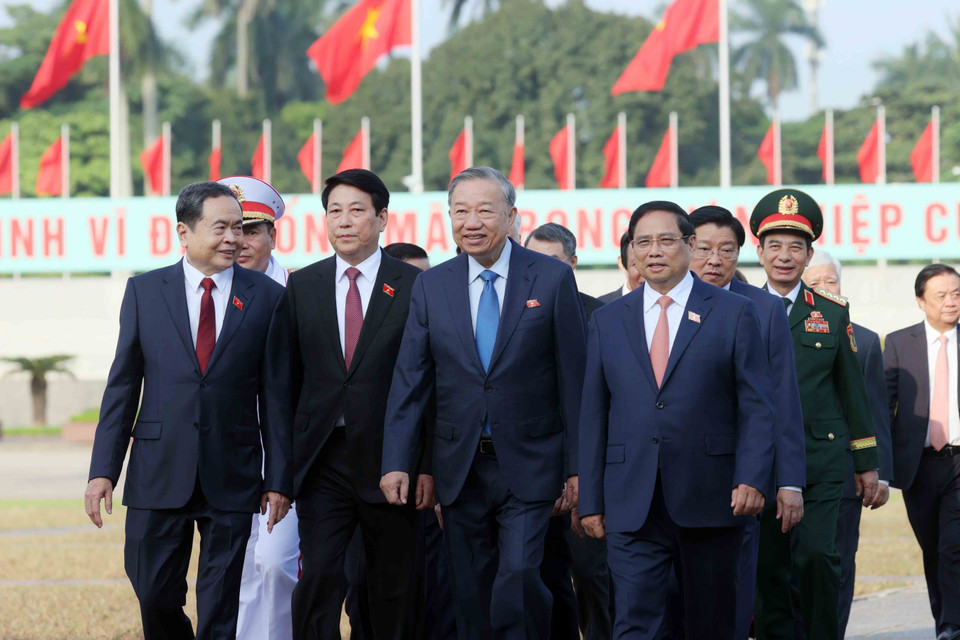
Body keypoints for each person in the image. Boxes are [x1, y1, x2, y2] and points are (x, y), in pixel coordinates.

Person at [381, 166, 587, 640]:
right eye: (460, 211)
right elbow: (413, 379)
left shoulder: (551, 279)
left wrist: (577, 470)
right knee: (469, 591)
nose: (471, 222)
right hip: (460, 467)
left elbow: (573, 381)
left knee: (517, 578)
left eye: (484, 210)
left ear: (512, 216)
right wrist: (402, 461)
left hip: (533, 463)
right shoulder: (433, 285)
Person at [84, 181, 293, 639]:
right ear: (184, 232)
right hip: (158, 471)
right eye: (221, 227)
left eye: (239, 228)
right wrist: (104, 470)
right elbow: (123, 386)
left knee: (220, 606)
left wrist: (279, 479)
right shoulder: (144, 292)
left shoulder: (268, 297)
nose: (233, 239)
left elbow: (276, 397)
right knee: (154, 593)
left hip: (233, 474)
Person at [578, 200, 776, 640]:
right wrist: (591, 498)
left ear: (688, 245)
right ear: (630, 251)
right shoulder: (607, 321)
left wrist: (752, 477)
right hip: (631, 501)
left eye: (666, 240)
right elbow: (593, 414)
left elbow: (758, 406)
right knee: (635, 622)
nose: (653, 251)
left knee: (709, 623)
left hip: (713, 496)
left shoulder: (733, 312)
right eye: (642, 242)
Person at [287, 169, 433, 640]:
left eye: (356, 210)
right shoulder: (302, 285)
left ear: (382, 217)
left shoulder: (415, 286)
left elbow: (432, 382)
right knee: (320, 577)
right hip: (323, 458)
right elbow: (286, 379)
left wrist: (423, 463)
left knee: (389, 586)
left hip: (393, 459)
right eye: (334, 211)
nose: (344, 221)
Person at [750, 188, 880, 640]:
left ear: (809, 256)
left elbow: (852, 392)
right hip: (760, 462)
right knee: (768, 568)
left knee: (818, 561)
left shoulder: (830, 311)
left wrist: (866, 463)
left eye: (796, 248)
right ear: (759, 249)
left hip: (821, 461)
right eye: (775, 246)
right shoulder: (739, 309)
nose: (784, 256)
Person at [687, 205, 806, 640]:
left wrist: (789, 481)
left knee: (733, 593)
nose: (714, 260)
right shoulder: (656, 303)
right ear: (685, 247)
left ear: (741, 254)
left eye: (727, 250)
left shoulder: (764, 308)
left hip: (741, 477)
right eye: (703, 249)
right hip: (667, 474)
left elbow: (783, 400)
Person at [219, 176, 301, 640]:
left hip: (284, 453)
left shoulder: (301, 290)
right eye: (229, 227)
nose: (239, 240)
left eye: (251, 229)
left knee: (275, 565)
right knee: (240, 571)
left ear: (273, 233)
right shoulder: (207, 287)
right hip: (228, 454)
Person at [525, 222, 613, 640]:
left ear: (572, 264)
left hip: (586, 473)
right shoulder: (511, 310)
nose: (541, 269)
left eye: (552, 261)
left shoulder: (601, 316)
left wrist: (579, 472)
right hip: (527, 471)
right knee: (537, 576)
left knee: (593, 576)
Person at [803, 249, 892, 639]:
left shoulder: (867, 341)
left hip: (843, 478)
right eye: (814, 283)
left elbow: (873, 409)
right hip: (789, 474)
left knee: (837, 567)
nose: (824, 289)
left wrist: (878, 471)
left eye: (830, 281)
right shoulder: (774, 327)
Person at [883, 264, 960, 640]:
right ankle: (944, 619)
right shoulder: (900, 343)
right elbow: (884, 405)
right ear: (921, 301)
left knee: (954, 545)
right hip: (920, 464)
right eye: (941, 295)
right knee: (933, 547)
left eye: (957, 294)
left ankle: (951, 625)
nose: (951, 302)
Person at [598, 231, 642, 303]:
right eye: (636, 264)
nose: (646, 274)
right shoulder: (601, 306)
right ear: (622, 263)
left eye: (652, 265)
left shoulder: (664, 306)